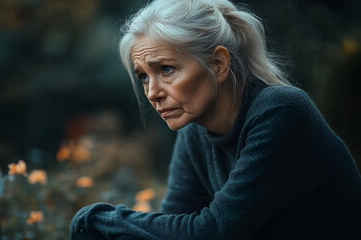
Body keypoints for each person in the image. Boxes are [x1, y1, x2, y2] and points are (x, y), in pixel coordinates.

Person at [70, 0, 361, 239]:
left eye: (167, 69)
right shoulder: (195, 131)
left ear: (219, 64)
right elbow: (173, 227)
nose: (153, 92)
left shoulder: (281, 111)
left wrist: (103, 219)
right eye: (144, 76)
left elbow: (214, 231)